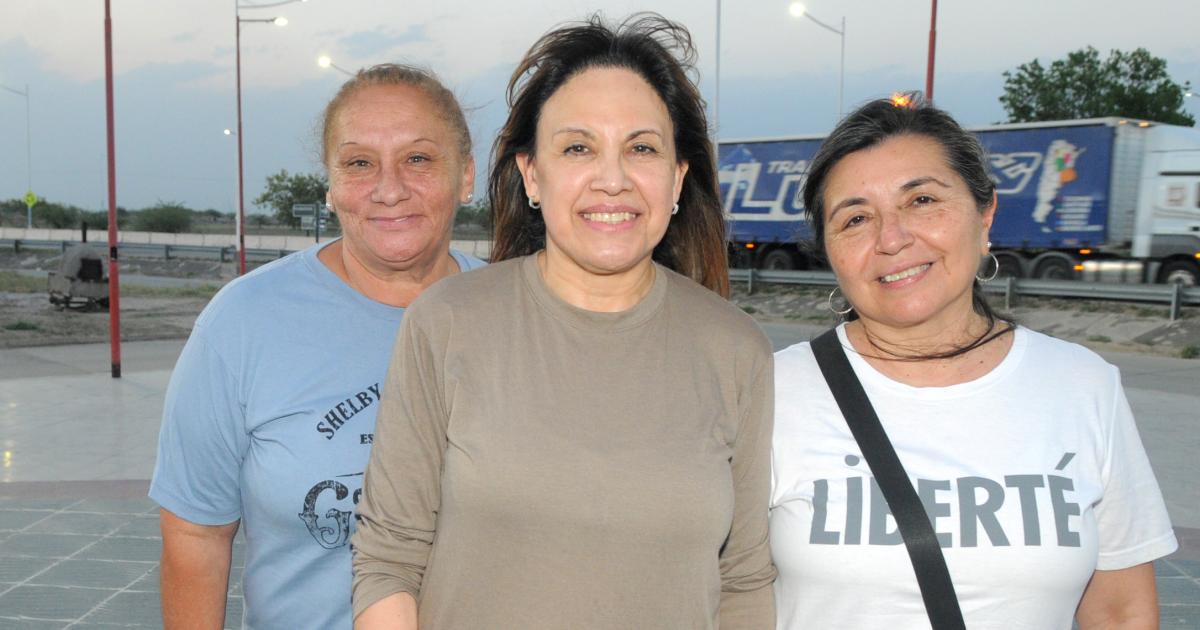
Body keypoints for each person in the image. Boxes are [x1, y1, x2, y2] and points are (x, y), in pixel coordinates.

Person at [351, 14, 776, 630]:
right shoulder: (446, 324)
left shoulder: (737, 349)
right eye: (578, 147)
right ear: (532, 175)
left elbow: (743, 581)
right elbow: (390, 557)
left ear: (678, 178)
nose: (612, 179)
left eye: (642, 148)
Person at [770, 94, 1178, 629]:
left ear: (985, 213)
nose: (891, 238)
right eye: (855, 219)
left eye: (922, 202)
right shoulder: (773, 391)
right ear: (827, 250)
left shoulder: (1083, 386)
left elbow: (1122, 612)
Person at [149, 63, 485, 630]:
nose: (389, 188)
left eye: (419, 159)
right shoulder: (245, 321)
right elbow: (195, 533)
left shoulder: (512, 314)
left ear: (467, 176)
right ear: (329, 185)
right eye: (359, 163)